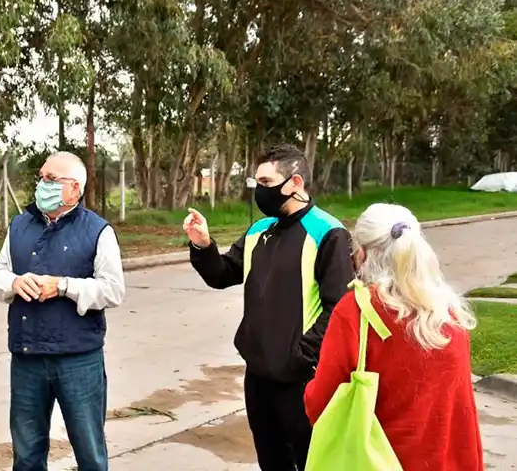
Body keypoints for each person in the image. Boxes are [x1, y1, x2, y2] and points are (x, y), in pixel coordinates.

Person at [184, 144, 355, 471]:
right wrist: (203, 245)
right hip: (258, 376)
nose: (259, 191)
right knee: (271, 460)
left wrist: (299, 357)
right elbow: (222, 274)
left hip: (301, 380)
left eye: (265, 182)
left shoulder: (329, 234)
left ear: (295, 183)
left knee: (309, 461)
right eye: (257, 182)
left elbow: (340, 309)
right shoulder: (258, 231)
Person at [304, 203, 483, 470]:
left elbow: (319, 404)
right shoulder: (450, 312)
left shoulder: (356, 311)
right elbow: (461, 407)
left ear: (361, 254)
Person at [0, 151, 126, 471]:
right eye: (42, 178)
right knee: (27, 452)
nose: (42, 185)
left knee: (90, 452)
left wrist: (63, 286)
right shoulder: (20, 226)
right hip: (27, 356)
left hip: (78, 359)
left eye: (52, 179)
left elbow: (113, 290)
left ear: (75, 189)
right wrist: (14, 282)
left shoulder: (98, 231)